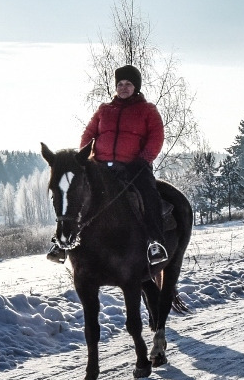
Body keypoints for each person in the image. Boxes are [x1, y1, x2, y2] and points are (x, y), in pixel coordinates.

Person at [48, 64, 169, 268]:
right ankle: (61, 243)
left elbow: (156, 137)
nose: (123, 87)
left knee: (148, 194)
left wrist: (143, 159)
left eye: (128, 84)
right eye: (120, 84)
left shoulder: (147, 110)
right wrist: (83, 159)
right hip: (102, 165)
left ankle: (154, 242)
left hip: (134, 167)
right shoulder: (104, 110)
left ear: (136, 87)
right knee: (74, 193)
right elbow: (88, 134)